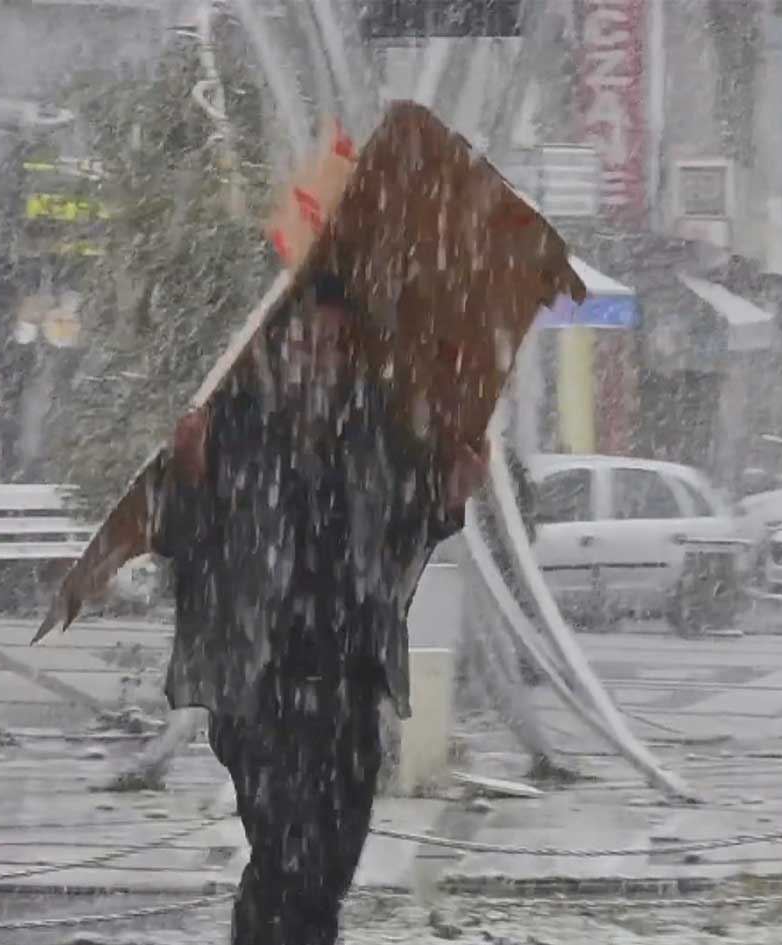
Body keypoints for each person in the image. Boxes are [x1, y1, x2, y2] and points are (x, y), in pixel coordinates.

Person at [148, 273, 488, 945]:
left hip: (348, 689)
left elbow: (402, 535)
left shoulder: (374, 434)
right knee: (282, 867)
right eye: (305, 342)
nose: (318, 358)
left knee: (329, 872)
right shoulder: (235, 427)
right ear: (277, 347)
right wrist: (188, 472)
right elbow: (179, 541)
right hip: (260, 688)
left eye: (334, 344)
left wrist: (450, 496)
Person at [456, 444, 581, 783]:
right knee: (489, 661)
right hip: (472, 568)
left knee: (491, 660)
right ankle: (541, 752)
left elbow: (512, 525)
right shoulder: (489, 458)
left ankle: (541, 752)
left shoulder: (487, 458)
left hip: (472, 569)